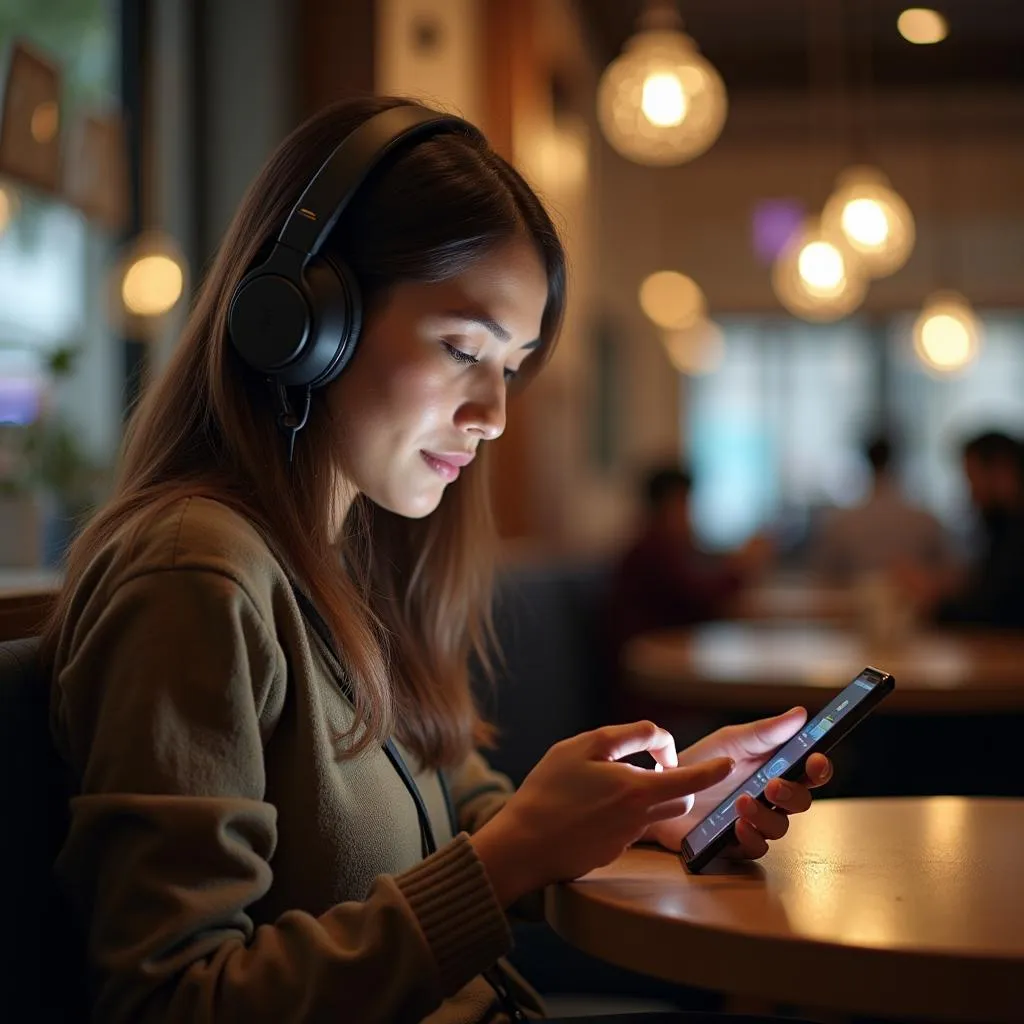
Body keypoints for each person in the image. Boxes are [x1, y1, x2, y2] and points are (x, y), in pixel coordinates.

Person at [42, 98, 831, 1024]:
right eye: (463, 349)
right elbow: (171, 1001)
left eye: (512, 366)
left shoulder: (350, 555)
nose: (493, 414)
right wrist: (508, 863)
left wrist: (643, 811)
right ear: (303, 320)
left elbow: (451, 813)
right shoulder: (196, 577)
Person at [604, 465, 772, 677]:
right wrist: (740, 567)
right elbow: (702, 598)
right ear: (664, 507)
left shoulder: (663, 546)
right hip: (653, 680)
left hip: (666, 667)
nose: (689, 515)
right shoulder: (652, 550)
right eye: (683, 505)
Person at [895, 430, 1024, 628]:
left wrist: (933, 601)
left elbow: (988, 614)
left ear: (1002, 471)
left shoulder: (1014, 533)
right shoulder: (1004, 528)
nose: (971, 494)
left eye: (972, 479)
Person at [813, 435, 952, 584]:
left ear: (865, 461)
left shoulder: (842, 523)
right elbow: (946, 572)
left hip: (857, 604)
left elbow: (825, 575)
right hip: (913, 603)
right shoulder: (925, 520)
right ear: (896, 461)